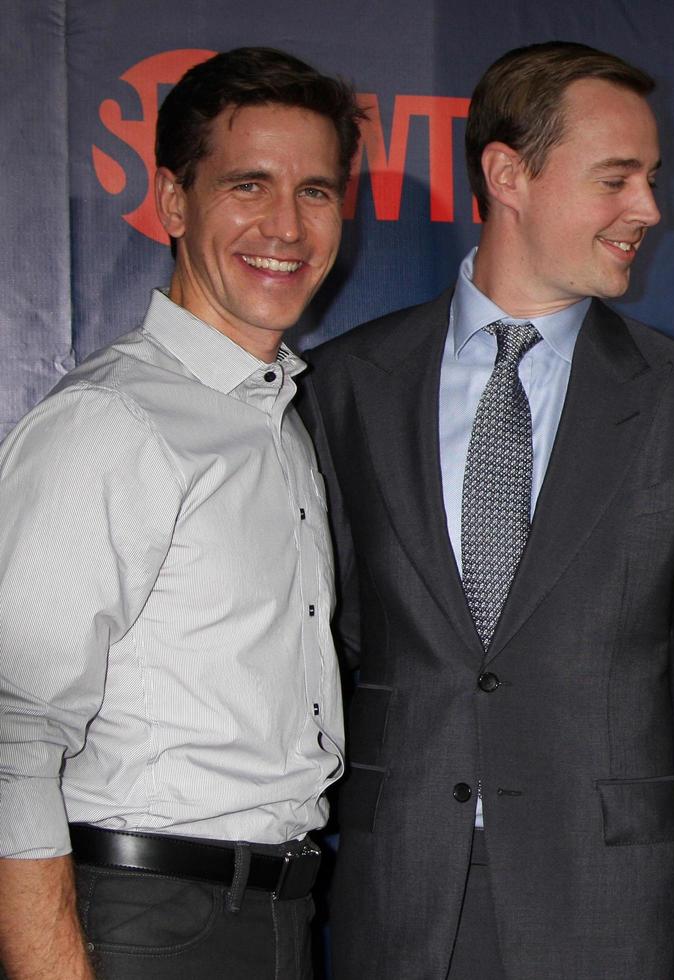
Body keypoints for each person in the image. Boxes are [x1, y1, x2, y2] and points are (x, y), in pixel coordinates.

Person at [299, 41, 674, 980]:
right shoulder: (345, 386)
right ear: (508, 172)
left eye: (650, 179)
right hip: (399, 903)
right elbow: (324, 647)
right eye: (616, 179)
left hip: (610, 910)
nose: (648, 210)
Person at [0, 47, 362, 980]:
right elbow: (11, 731)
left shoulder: (275, 417)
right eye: (249, 185)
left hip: (274, 918)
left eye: (316, 191)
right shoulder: (111, 422)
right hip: (140, 924)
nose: (286, 225)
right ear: (172, 202)